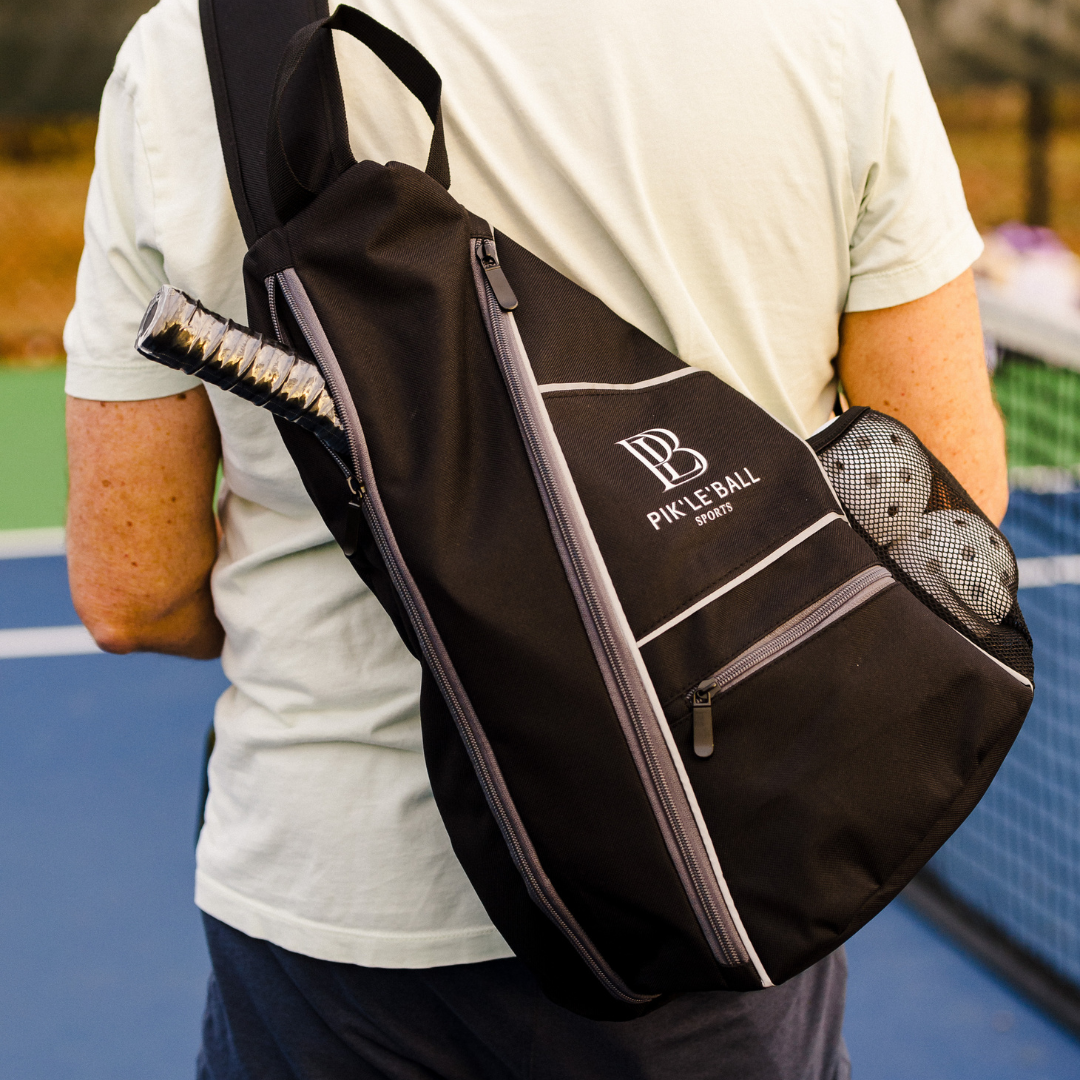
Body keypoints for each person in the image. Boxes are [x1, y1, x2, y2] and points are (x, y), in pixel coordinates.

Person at [64, 0, 1007, 1075]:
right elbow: (945, 497)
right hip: (718, 868)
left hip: (337, 906)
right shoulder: (828, 23)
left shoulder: (193, 47)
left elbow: (134, 587)